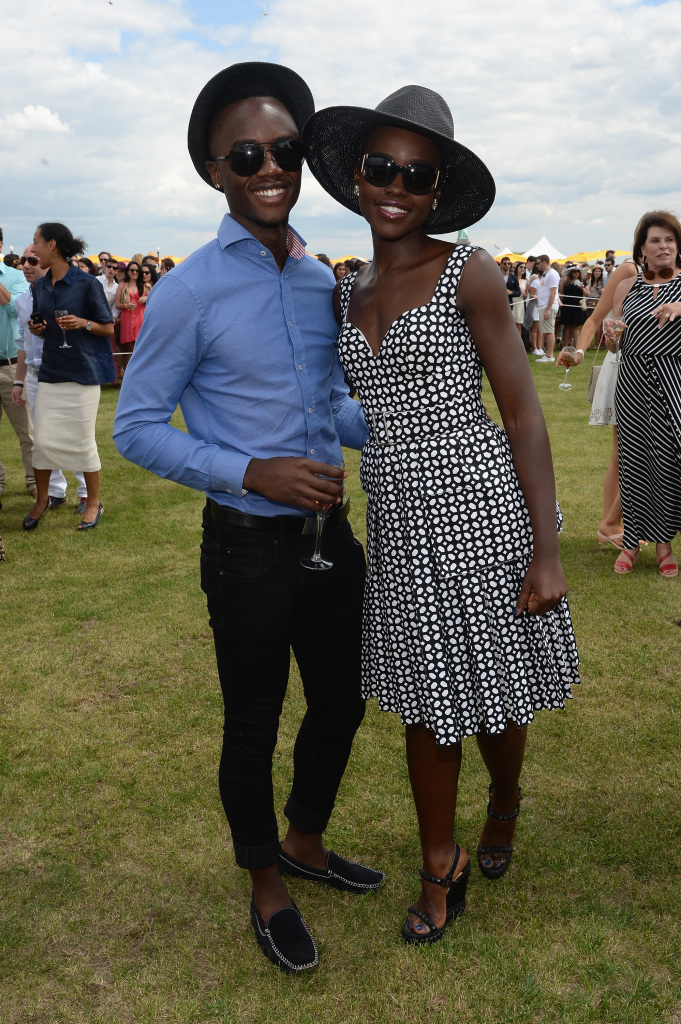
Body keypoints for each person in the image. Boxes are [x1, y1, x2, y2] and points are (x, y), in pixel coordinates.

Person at [113, 61, 384, 976]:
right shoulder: (188, 290)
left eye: (285, 150)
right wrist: (249, 471)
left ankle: (305, 839)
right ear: (216, 172)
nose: (269, 165)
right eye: (246, 154)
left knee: (342, 700)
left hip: (330, 540)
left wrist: (396, 420)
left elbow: (333, 407)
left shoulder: (320, 281)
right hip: (246, 547)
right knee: (253, 721)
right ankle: (265, 880)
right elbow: (137, 427)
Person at [304, 84, 579, 945]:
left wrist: (546, 548)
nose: (396, 186)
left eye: (415, 176)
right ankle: (440, 864)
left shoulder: (472, 271)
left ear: (435, 192)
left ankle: (503, 800)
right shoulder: (343, 293)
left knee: (493, 699)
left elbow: (525, 413)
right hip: (397, 521)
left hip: (479, 509)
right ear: (357, 176)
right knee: (427, 704)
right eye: (381, 167)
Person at [23, 222, 113, 531]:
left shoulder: (87, 284)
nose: (32, 250)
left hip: (83, 374)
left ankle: (92, 502)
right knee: (43, 442)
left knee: (84, 442)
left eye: (35, 243)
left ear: (52, 245)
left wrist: (82, 323)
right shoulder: (39, 286)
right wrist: (39, 328)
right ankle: (42, 500)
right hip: (51, 372)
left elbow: (107, 327)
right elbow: (45, 326)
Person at [606, 211, 681, 576]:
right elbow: (614, 346)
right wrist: (611, 334)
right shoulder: (627, 287)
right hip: (633, 380)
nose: (663, 246)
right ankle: (631, 541)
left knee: (668, 463)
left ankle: (664, 542)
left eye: (669, 239)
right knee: (633, 461)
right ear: (642, 248)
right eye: (656, 240)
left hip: (673, 380)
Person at [557, 260, 639, 547]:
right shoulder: (630, 271)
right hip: (624, 366)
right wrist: (579, 351)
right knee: (625, 450)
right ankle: (611, 523)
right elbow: (594, 319)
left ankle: (618, 522)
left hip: (662, 370)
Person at [13, 246, 88, 513]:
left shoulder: (65, 296)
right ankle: (55, 491)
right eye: (23, 260)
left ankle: (86, 492)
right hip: (34, 377)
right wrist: (19, 381)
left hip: (63, 373)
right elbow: (23, 343)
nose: (26, 265)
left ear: (48, 263)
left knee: (75, 433)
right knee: (42, 438)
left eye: (33, 260)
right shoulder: (22, 301)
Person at [0, 225, 35, 503]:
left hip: (9, 367)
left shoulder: (15, 276)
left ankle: (35, 482)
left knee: (28, 433)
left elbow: (17, 310)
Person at [534, 255, 560, 361]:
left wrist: (548, 309)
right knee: (546, 330)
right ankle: (549, 354)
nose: (537, 265)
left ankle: (550, 355)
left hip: (548, 305)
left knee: (549, 330)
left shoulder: (552, 274)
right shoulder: (546, 274)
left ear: (544, 262)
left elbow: (553, 292)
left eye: (539, 263)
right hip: (544, 305)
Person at [558, 266, 586, 348]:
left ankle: (577, 346)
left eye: (578, 271)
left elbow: (587, 294)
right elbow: (561, 291)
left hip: (577, 306)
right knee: (566, 327)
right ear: (571, 273)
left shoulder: (582, 282)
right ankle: (565, 346)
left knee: (575, 327)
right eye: (574, 271)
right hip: (567, 306)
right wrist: (562, 282)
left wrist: (582, 288)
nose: (576, 273)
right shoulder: (566, 281)